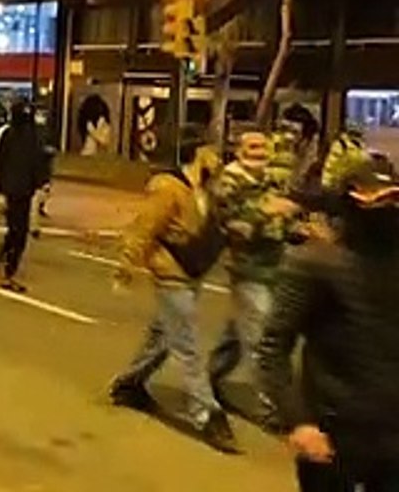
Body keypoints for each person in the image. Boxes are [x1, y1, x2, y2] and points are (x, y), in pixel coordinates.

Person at [257, 147, 399, 492]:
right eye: (375, 201)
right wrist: (300, 421)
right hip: (334, 436)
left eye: (394, 201)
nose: (388, 210)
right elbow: (273, 347)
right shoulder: (315, 265)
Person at [108, 134, 237, 453]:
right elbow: (144, 228)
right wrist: (126, 266)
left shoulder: (204, 188)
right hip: (171, 274)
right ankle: (206, 413)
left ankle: (128, 384)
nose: (218, 158)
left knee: (164, 336)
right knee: (188, 345)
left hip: (192, 271)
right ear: (196, 153)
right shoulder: (168, 188)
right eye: (212, 151)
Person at [207, 131, 299, 407]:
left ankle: (210, 377)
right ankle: (274, 404)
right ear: (239, 150)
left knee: (238, 330)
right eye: (253, 146)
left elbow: (282, 221)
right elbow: (231, 222)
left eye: (263, 146)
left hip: (274, 266)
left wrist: (297, 227)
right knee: (262, 337)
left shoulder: (269, 179)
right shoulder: (229, 180)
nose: (259, 152)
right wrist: (266, 213)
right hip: (247, 268)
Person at [0, 101, 49, 292]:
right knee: (16, 231)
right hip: (10, 190)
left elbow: (39, 160)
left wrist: (42, 182)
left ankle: (3, 264)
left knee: (19, 233)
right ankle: (5, 271)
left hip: (26, 191)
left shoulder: (34, 135)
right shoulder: (6, 133)